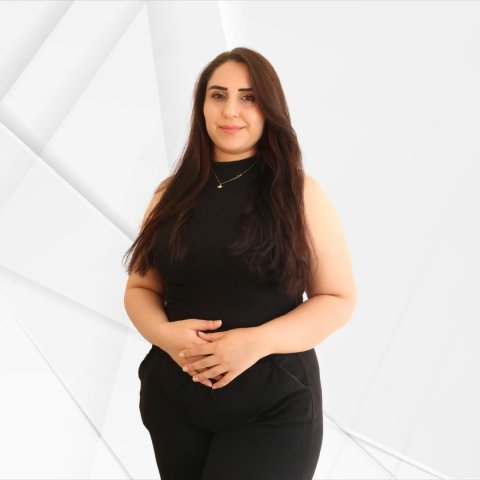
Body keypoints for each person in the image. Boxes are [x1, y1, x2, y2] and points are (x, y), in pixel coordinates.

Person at [122, 47, 357, 480]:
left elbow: (337, 298)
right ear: (202, 106)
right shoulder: (168, 194)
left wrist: (256, 342)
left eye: (248, 97)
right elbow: (141, 289)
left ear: (270, 109)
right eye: (218, 95)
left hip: (272, 406)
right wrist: (166, 337)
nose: (231, 110)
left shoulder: (300, 193)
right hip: (174, 404)